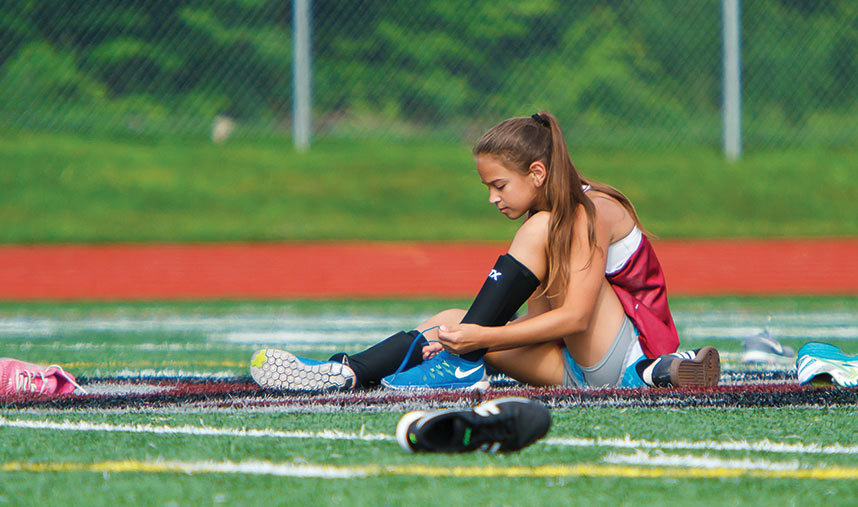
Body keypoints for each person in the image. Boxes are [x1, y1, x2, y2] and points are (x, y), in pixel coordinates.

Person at [250, 111, 720, 392]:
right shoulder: (551, 217)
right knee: (449, 321)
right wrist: (467, 336)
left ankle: (655, 369)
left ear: (537, 173)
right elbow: (541, 321)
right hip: (576, 367)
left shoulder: (585, 211)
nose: (493, 198)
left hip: (621, 353)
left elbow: (576, 318)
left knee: (508, 279)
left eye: (499, 185)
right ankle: (346, 372)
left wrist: (482, 339)